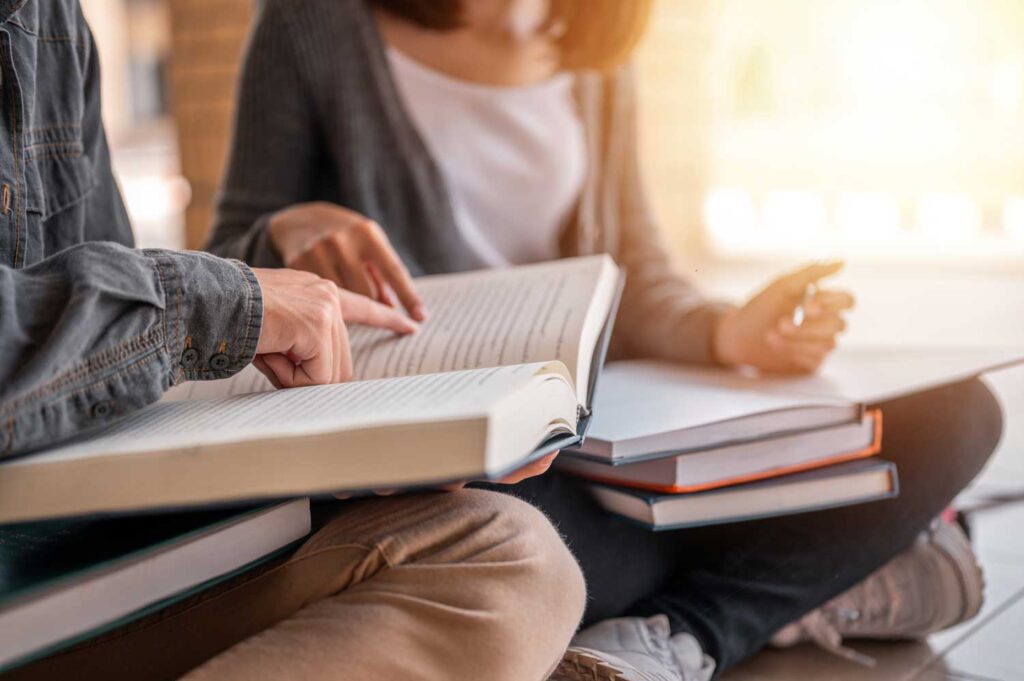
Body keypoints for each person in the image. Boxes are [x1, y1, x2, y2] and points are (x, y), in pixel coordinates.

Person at [206, 0, 1005, 679]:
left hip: (609, 428)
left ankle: (681, 629)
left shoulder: (591, 38)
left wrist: (728, 330)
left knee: (960, 416)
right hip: (461, 467)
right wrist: (287, 229)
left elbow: (640, 270)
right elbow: (225, 264)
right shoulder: (313, 24)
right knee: (529, 546)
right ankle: (783, 592)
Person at [0, 2, 586, 680]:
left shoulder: (52, 19)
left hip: (83, 551)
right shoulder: (314, 24)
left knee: (517, 554)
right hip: (42, 583)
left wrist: (262, 267)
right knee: (549, 544)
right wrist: (221, 297)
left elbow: (106, 340)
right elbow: (155, 308)